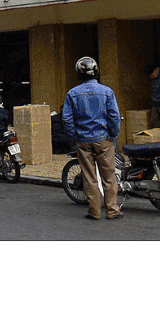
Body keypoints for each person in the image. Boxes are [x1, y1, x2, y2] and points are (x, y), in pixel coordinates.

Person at [62, 57, 123, 221]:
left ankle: (94, 212)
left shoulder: (72, 93)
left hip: (83, 140)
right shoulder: (107, 91)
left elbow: (67, 119)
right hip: (104, 139)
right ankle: (112, 210)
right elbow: (114, 117)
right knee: (109, 177)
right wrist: (113, 134)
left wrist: (75, 135)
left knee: (89, 178)